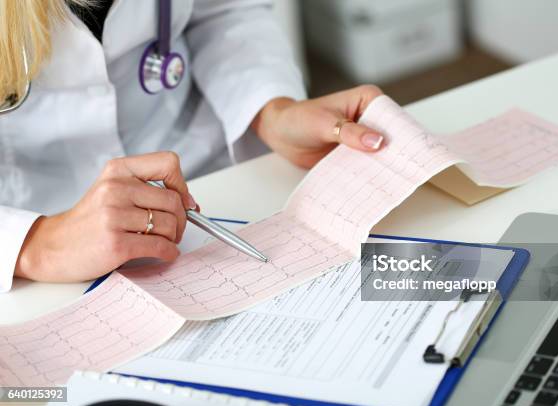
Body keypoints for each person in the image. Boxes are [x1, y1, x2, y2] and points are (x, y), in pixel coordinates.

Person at [0, 0, 385, 292]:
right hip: (38, 248)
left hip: (205, 191)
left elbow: (222, 10)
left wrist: (271, 110)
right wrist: (35, 244)